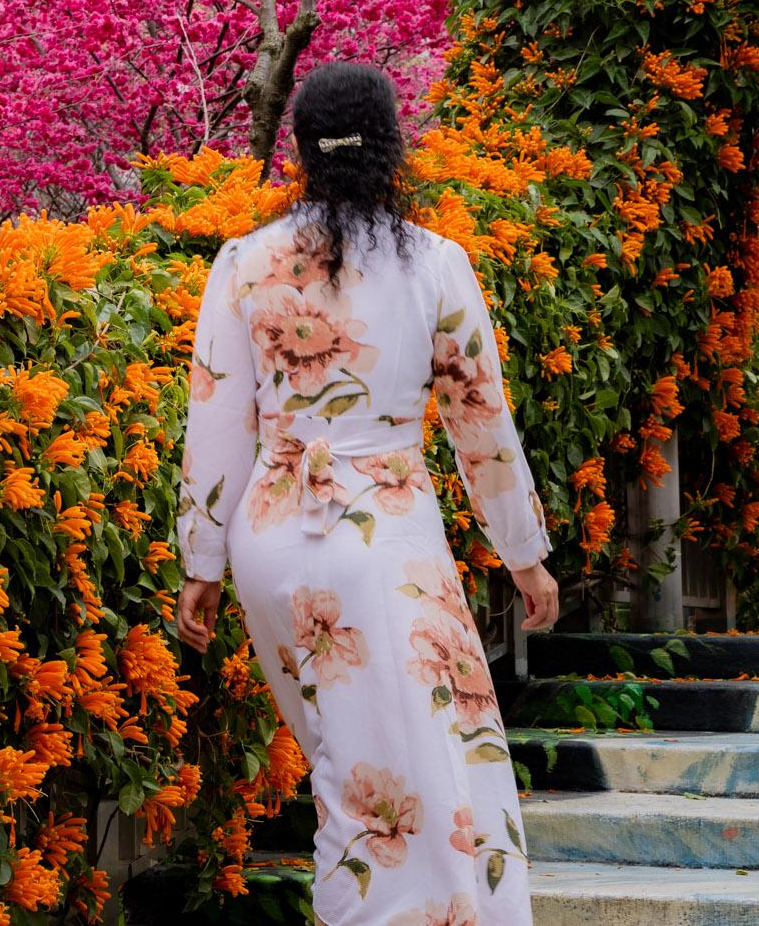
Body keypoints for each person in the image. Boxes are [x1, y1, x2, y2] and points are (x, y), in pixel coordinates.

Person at [174, 61, 559, 926]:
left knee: (347, 768)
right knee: (424, 762)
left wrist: (200, 562)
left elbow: (217, 421)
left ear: (302, 152)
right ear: (392, 145)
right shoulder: (434, 263)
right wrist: (525, 555)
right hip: (381, 531)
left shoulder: (243, 260)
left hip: (269, 540)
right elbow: (480, 423)